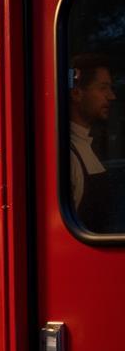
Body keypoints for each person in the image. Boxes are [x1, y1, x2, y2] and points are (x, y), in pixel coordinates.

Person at [69, 53, 116, 228]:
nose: (111, 96)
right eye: (103, 88)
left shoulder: (87, 146)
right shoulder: (69, 157)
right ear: (77, 93)